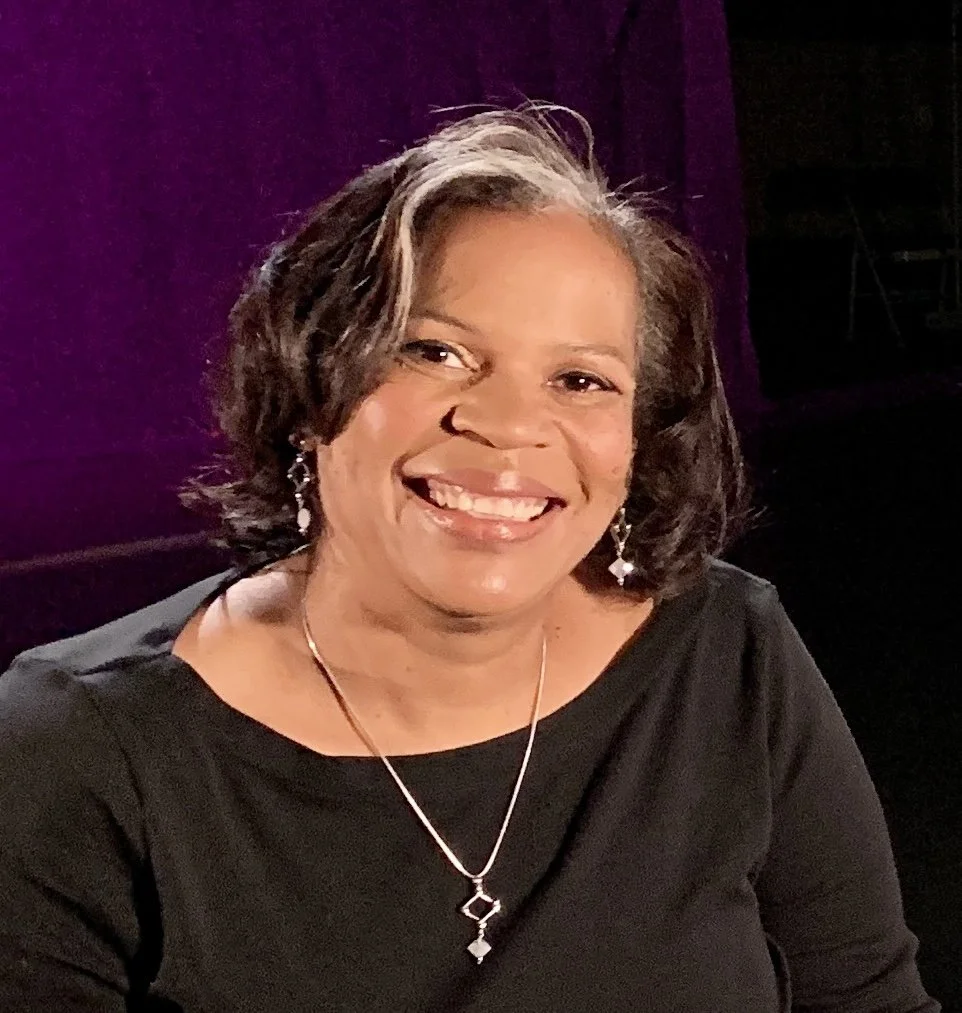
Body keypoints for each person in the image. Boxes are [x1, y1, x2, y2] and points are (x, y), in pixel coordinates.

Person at [0, 105, 940, 1012]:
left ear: (637, 443)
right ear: (307, 384)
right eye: (436, 351)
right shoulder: (74, 750)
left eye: (581, 379)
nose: (506, 425)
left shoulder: (727, 650)